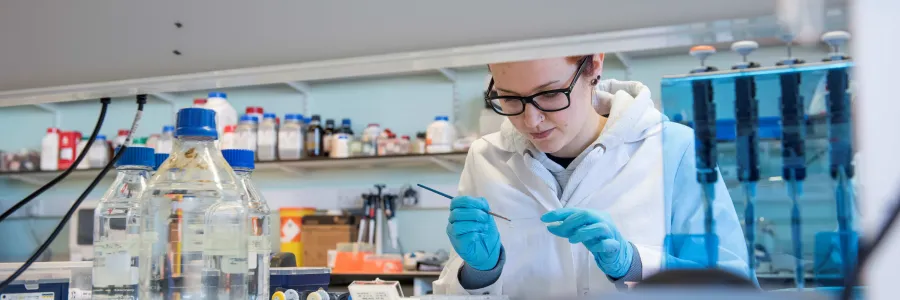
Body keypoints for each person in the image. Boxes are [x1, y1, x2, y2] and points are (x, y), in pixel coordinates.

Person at [432, 54, 750, 297]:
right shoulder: (486, 157)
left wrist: (633, 264)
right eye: (510, 98)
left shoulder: (673, 148)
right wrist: (479, 271)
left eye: (551, 94)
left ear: (594, 65)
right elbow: (455, 287)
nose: (532, 120)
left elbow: (731, 285)